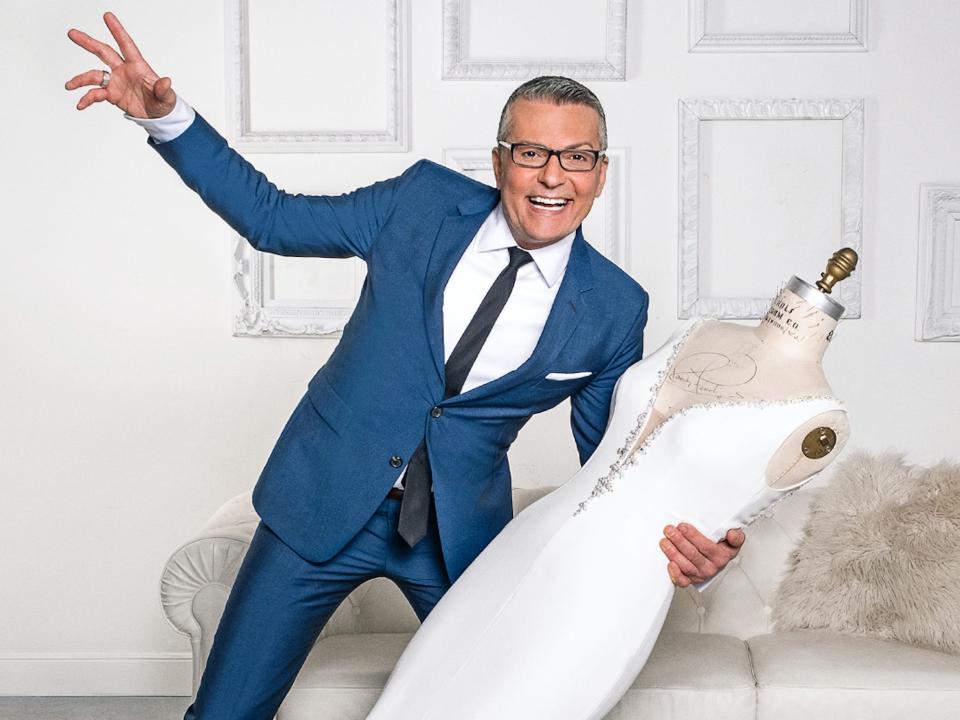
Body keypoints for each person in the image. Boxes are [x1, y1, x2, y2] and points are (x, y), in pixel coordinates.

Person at [65, 12, 744, 719]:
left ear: (601, 174)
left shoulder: (612, 306)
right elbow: (273, 218)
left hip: (456, 541)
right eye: (531, 152)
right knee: (225, 714)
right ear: (499, 160)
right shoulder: (419, 204)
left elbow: (613, 461)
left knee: (502, 705)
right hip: (321, 505)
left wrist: (690, 532)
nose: (552, 177)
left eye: (576, 157)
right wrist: (169, 119)